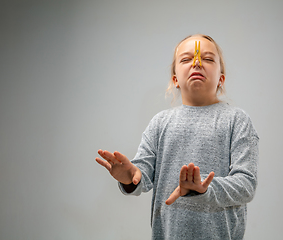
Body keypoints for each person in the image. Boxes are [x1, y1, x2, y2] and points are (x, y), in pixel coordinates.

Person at [95, 34, 259, 240]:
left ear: (221, 78)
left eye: (207, 59)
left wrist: (204, 189)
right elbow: (141, 176)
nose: (197, 63)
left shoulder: (237, 120)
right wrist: (130, 177)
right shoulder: (160, 123)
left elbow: (246, 185)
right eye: (186, 59)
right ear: (175, 79)